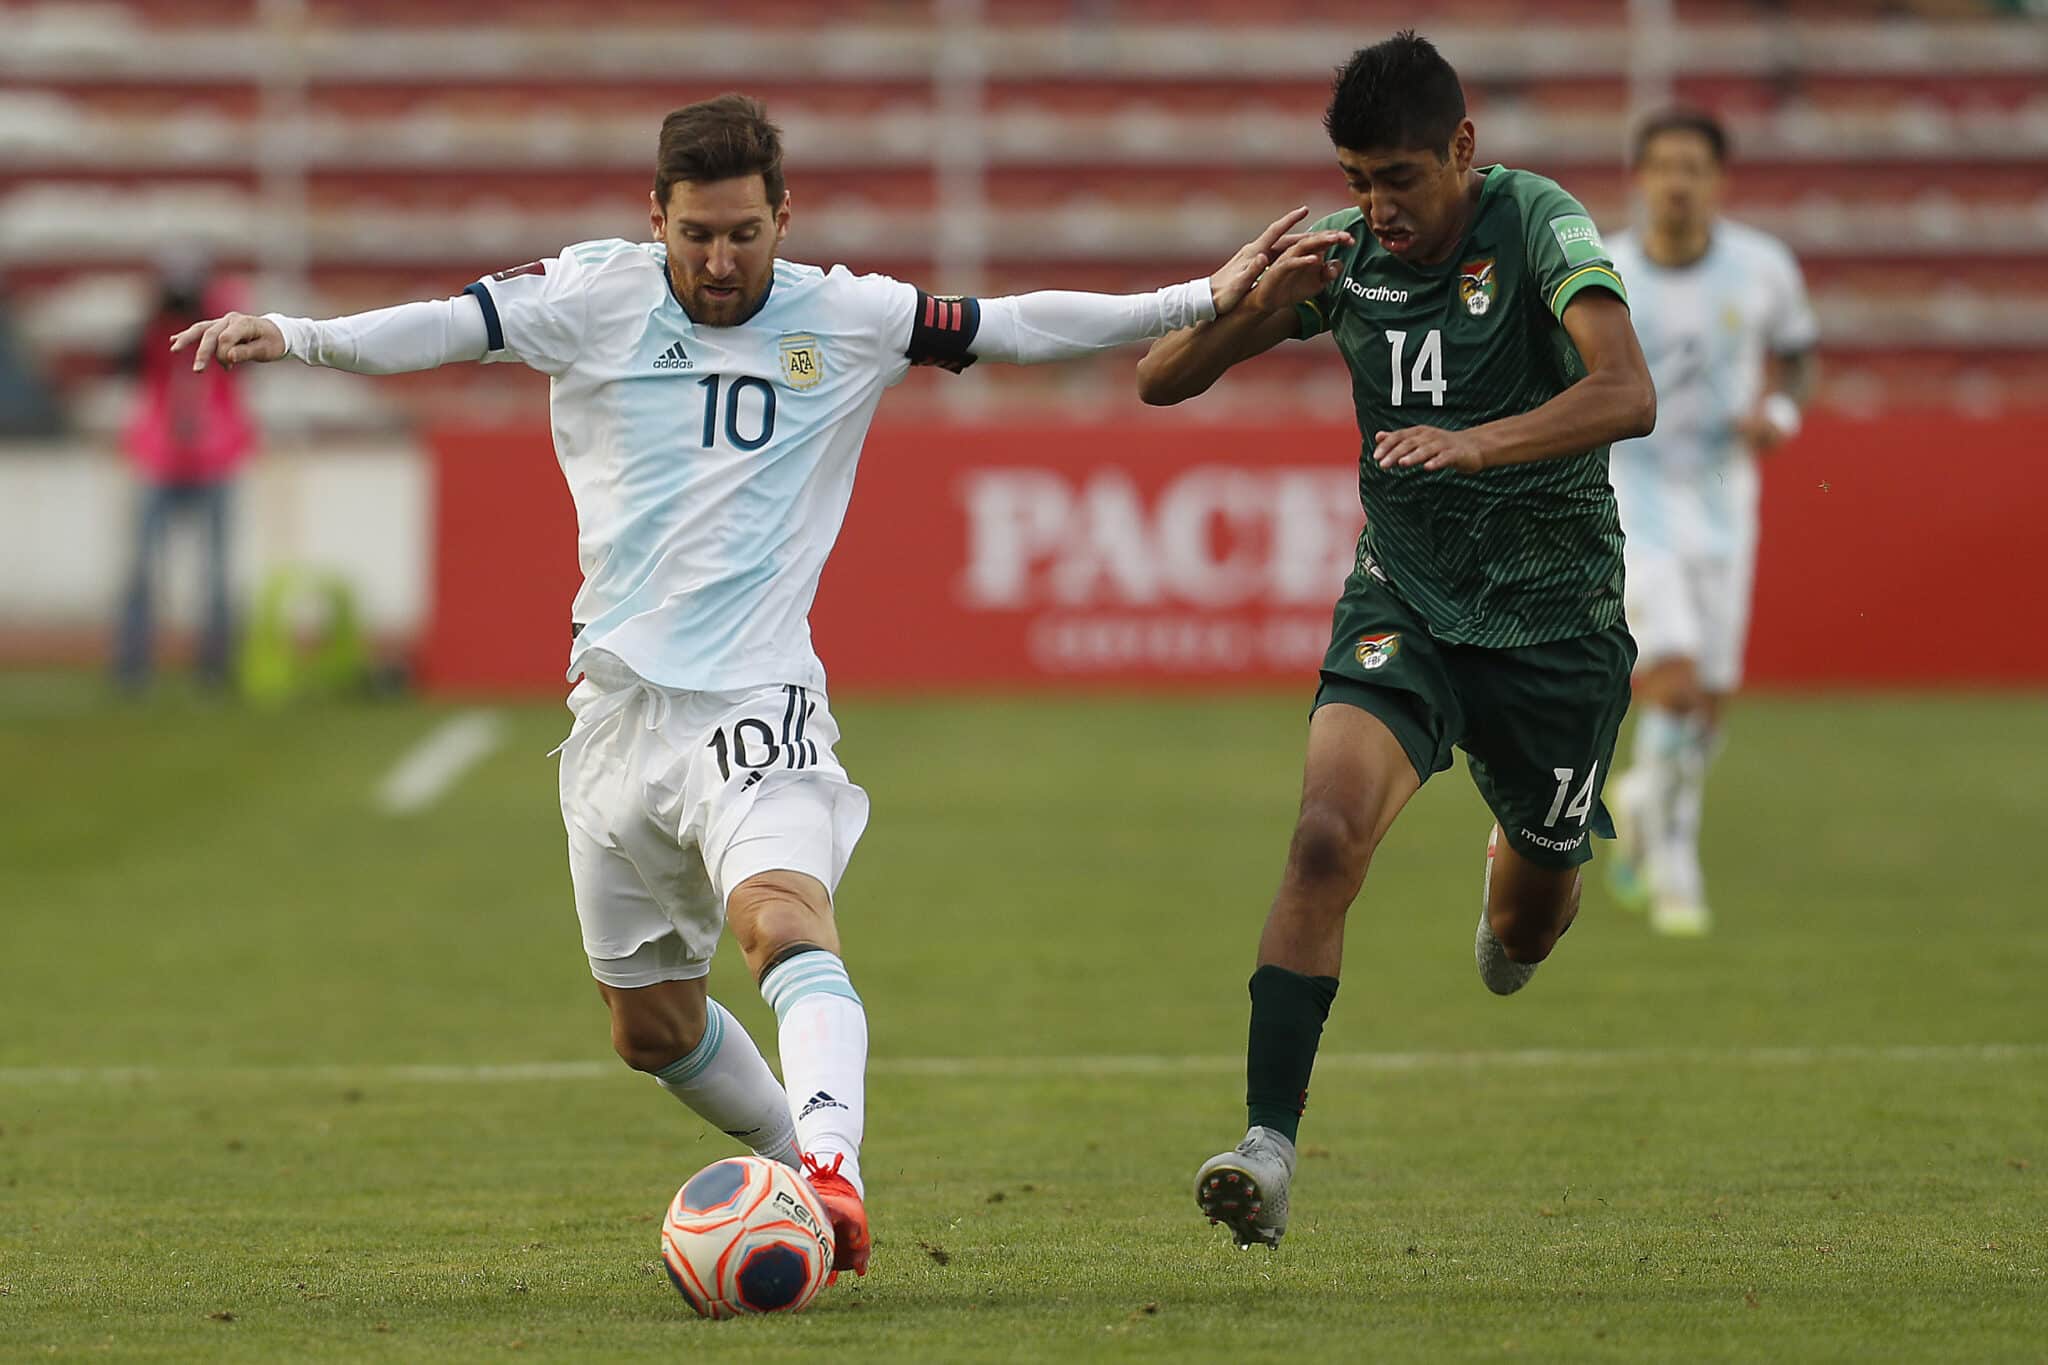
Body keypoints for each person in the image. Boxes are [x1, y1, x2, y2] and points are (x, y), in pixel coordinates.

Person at [173, 93, 1341, 1284]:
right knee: (651, 1029)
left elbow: (1016, 325)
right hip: (614, 720)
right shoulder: (589, 296)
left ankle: (830, 1172)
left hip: (754, 699)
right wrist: (299, 335)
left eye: (743, 232)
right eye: (696, 235)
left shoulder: (843, 316)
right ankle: (801, 1168)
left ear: (784, 217)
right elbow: (442, 327)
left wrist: (1201, 297)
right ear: (655, 219)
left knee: (778, 920)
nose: (720, 260)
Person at [1135, 32, 1656, 1249]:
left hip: (1553, 626)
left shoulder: (1535, 224)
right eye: (1358, 179)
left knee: (1527, 928)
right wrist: (1244, 309)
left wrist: (1479, 440)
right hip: (1406, 604)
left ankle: (1520, 853)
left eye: (1399, 180)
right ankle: (1264, 1148)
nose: (1378, 208)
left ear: (1462, 150)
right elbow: (1161, 381)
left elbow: (1626, 392)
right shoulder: (1350, 262)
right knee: (1322, 840)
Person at [1603, 109, 1818, 939]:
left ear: (1717, 180)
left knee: (1712, 704)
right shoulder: (1609, 270)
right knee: (1678, 681)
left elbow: (1798, 355)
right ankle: (1674, 860)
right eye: (1663, 166)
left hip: (1726, 499)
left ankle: (1640, 797)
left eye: (1693, 167)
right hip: (1632, 493)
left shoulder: (1763, 268)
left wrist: (1782, 413)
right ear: (1641, 177)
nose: (1677, 183)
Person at [116, 259, 257, 689]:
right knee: (142, 569)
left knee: (216, 573)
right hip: (163, 461)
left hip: (212, 461)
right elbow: (124, 360)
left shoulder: (222, 329)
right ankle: (133, 665)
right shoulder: (152, 336)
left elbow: (248, 347)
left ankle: (215, 665)